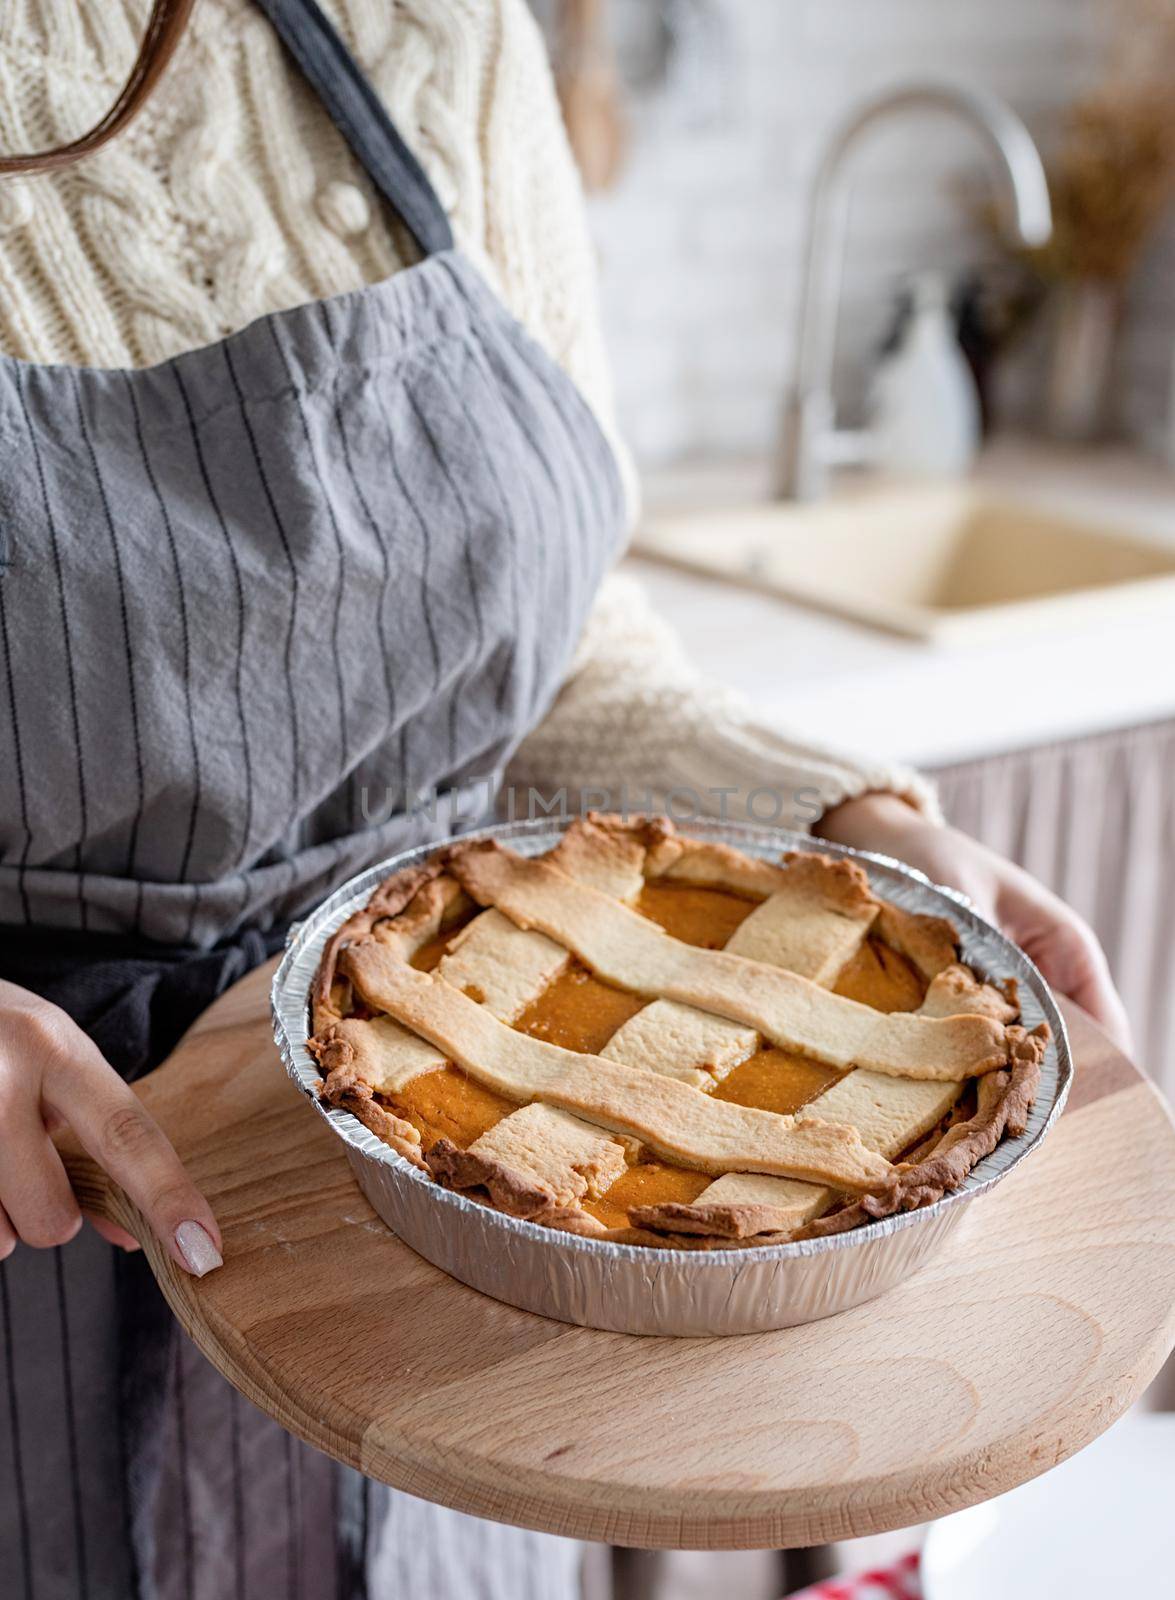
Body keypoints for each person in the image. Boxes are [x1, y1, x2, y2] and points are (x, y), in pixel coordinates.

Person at [0, 2, 1130, 1597]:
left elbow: (554, 647)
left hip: (476, 1320)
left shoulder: (434, 24)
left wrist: (846, 838)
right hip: (37, 1244)